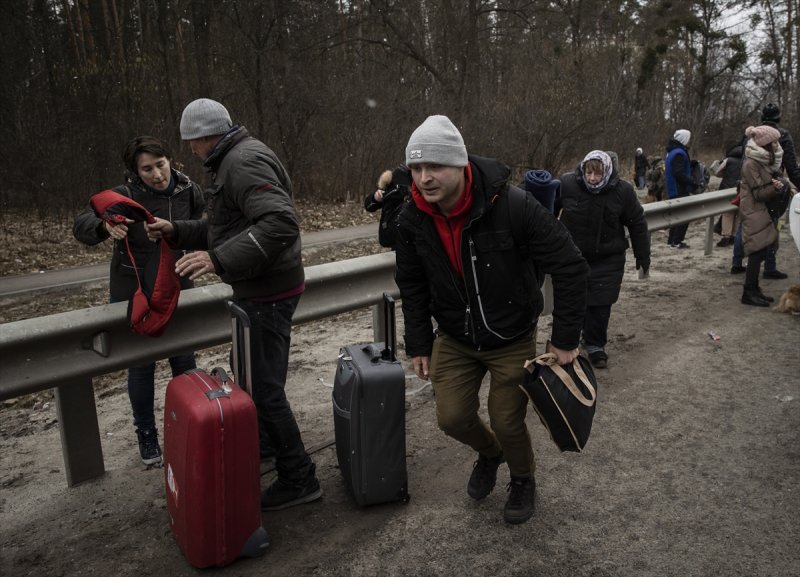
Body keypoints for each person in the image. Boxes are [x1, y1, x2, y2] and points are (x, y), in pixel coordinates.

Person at [393, 115, 589, 525]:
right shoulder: (411, 217)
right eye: (416, 168)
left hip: (511, 333)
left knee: (506, 419)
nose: (424, 178)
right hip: (455, 335)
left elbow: (570, 265)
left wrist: (565, 337)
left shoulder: (512, 205)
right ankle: (490, 453)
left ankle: (522, 479)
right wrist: (418, 343)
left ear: (460, 164)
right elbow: (411, 283)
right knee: (451, 418)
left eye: (435, 167)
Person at [145, 98, 322, 510]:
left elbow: (279, 222)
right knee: (249, 379)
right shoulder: (234, 159)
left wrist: (218, 259)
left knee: (264, 388)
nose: (189, 149)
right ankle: (266, 446)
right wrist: (179, 232)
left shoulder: (241, 162)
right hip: (259, 287)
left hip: (268, 291)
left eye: (191, 140)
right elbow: (228, 224)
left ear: (206, 135)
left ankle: (299, 476)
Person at [73, 136, 204, 466]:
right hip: (134, 290)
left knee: (184, 362)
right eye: (147, 169)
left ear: (169, 160)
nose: (157, 174)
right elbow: (82, 224)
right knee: (142, 366)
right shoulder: (123, 196)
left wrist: (177, 231)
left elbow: (204, 227)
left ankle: (188, 428)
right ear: (135, 171)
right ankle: (146, 435)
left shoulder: (190, 190)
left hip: (177, 282)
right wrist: (105, 227)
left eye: (160, 165)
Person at [557, 150, 650, 369]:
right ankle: (570, 342)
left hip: (608, 257)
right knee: (573, 302)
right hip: (573, 256)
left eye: (597, 175)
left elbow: (637, 223)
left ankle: (596, 345)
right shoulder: (567, 184)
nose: (592, 179)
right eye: (588, 173)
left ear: (607, 173)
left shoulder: (623, 191)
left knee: (600, 303)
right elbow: (545, 212)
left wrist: (643, 256)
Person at [738, 125, 792, 306]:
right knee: (757, 249)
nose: (777, 144)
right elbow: (758, 193)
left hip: (761, 209)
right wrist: (776, 187)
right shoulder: (751, 163)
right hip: (753, 210)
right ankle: (748, 292)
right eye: (774, 141)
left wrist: (781, 183)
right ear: (766, 144)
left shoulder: (764, 162)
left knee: (762, 248)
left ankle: (754, 288)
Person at [364, 164, 412, 248]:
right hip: (395, 238)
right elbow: (369, 206)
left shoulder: (424, 177)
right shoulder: (397, 174)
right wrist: (375, 197)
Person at [665, 129, 697, 248]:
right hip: (679, 189)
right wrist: (692, 182)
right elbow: (678, 173)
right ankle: (676, 241)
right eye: (688, 139)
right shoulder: (679, 153)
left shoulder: (672, 151)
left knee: (676, 215)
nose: (689, 141)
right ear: (684, 139)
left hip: (673, 189)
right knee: (684, 215)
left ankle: (672, 240)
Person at [712, 138, 745, 247]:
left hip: (728, 189)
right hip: (741, 190)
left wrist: (726, 175)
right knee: (738, 214)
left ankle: (726, 236)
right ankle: (734, 236)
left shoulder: (728, 160)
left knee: (727, 213)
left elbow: (717, 172)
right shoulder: (747, 161)